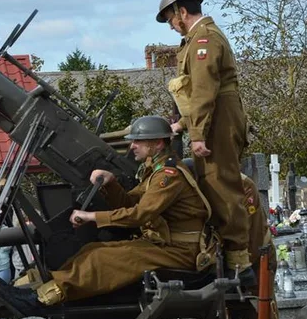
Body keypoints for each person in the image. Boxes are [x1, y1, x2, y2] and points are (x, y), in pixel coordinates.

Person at [29, 116, 213, 307]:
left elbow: (140, 214)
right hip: (164, 245)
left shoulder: (169, 176)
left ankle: (42, 299)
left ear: (158, 143)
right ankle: (40, 286)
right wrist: (111, 183)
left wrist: (91, 217)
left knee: (100, 259)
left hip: (180, 251)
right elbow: (130, 202)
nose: (132, 146)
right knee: (92, 250)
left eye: (138, 141)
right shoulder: (156, 170)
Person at [157, 0, 252, 278]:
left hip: (217, 123)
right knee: (213, 185)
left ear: (182, 13)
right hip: (214, 120)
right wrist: (183, 125)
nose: (173, 27)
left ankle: (240, 263)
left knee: (221, 186)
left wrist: (196, 135)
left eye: (172, 20)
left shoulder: (204, 39)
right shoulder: (197, 39)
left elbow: (204, 90)